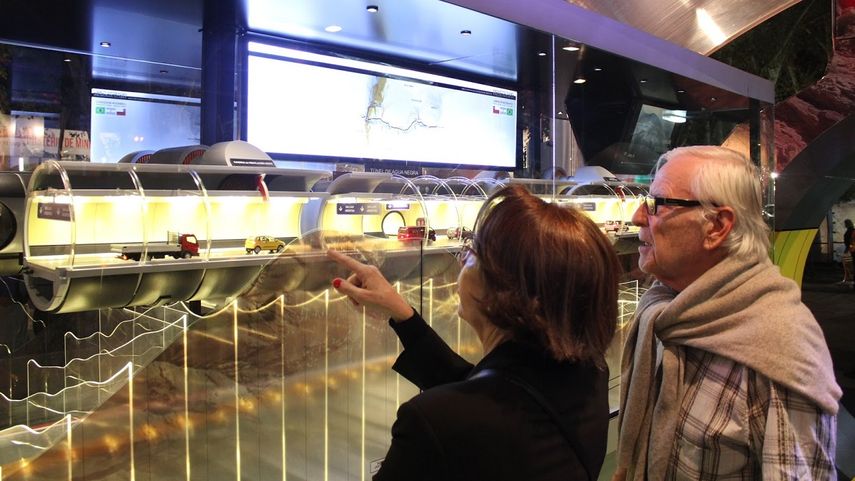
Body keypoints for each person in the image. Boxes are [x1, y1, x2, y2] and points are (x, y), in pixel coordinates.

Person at [328, 184, 621, 481]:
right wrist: (403, 315)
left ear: (509, 293)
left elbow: (470, 408)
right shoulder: (590, 374)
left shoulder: (431, 423)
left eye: (472, 253)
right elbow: (492, 392)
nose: (461, 261)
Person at [614, 146, 841, 481]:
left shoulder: (781, 349)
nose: (637, 217)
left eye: (658, 204)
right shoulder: (668, 309)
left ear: (717, 226)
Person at [842, 218, 854, 286]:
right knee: (847, 264)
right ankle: (847, 278)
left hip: (849, 249)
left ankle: (848, 279)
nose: (844, 225)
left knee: (847, 264)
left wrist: (849, 248)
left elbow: (850, 241)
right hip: (850, 249)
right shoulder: (851, 230)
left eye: (845, 223)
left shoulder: (850, 230)